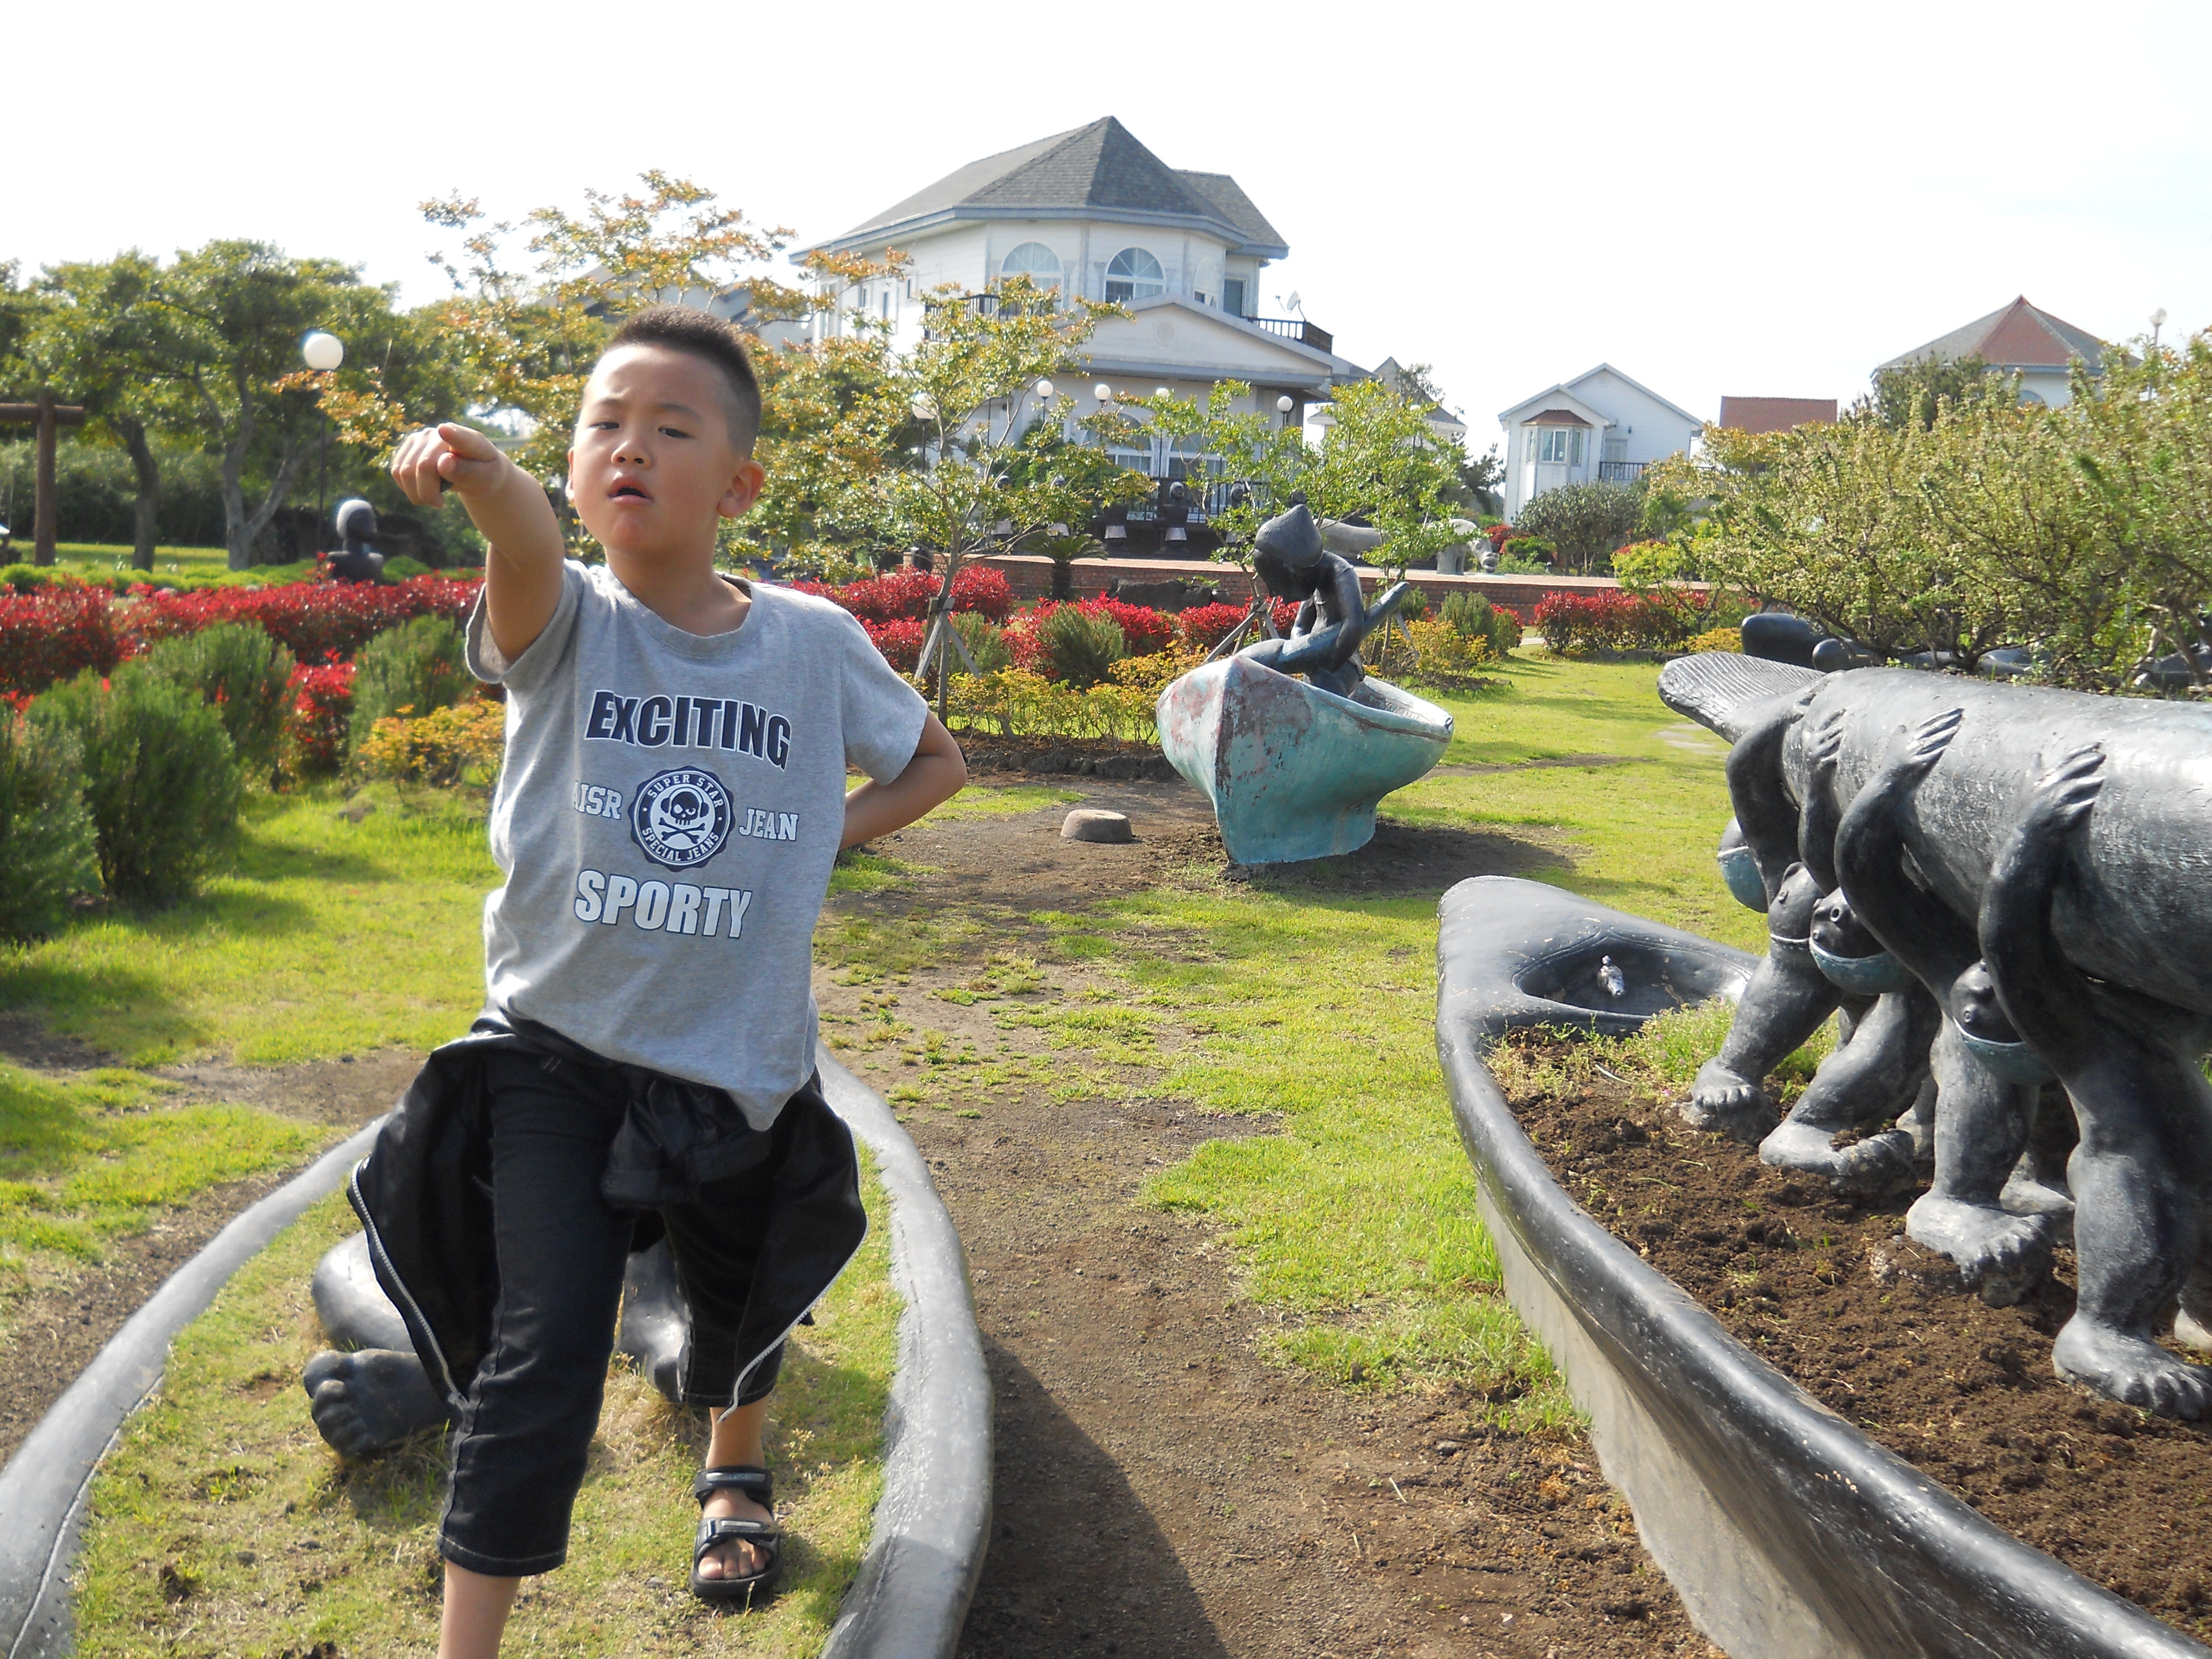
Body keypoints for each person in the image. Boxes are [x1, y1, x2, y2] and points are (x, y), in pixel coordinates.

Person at [374, 304, 967, 1657]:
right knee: (546, 1354)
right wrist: (481, 471)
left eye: (670, 429)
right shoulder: (560, 614)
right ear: (576, 469)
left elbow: (930, 763)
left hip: (736, 1056)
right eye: (602, 427)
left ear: (737, 483)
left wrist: (816, 848)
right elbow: (520, 537)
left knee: (743, 1294)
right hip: (554, 1054)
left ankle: (732, 1467)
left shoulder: (810, 644)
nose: (627, 448)